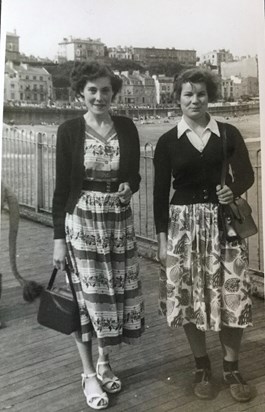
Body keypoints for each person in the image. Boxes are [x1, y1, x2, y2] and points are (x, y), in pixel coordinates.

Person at [153, 68, 254, 402]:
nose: (194, 100)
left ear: (209, 97)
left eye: (200, 94)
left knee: (233, 294)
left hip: (223, 226)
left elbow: (246, 175)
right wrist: (163, 239)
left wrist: (231, 190)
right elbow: (158, 194)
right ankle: (201, 366)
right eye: (187, 94)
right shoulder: (168, 141)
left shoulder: (227, 133)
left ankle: (231, 366)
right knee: (187, 297)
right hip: (183, 227)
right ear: (177, 98)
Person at [52, 61, 144, 410]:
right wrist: (58, 238)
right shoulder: (69, 131)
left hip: (118, 221)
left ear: (113, 93)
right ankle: (89, 372)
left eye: (106, 90)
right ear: (81, 93)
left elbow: (133, 176)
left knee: (113, 294)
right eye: (93, 90)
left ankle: (105, 362)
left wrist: (128, 187)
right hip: (82, 221)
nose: (100, 96)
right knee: (84, 298)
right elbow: (62, 190)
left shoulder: (127, 127)